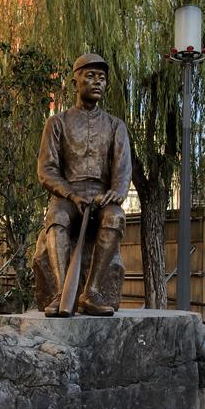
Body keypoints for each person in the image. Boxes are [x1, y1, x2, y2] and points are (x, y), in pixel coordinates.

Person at [37, 53, 132, 316]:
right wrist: (70, 193)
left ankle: (91, 292)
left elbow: (122, 172)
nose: (97, 82)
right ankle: (60, 291)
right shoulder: (57, 123)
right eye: (90, 76)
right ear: (74, 82)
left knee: (115, 217)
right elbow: (46, 170)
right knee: (56, 217)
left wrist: (115, 194)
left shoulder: (116, 126)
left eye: (102, 78)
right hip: (68, 195)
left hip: (102, 198)